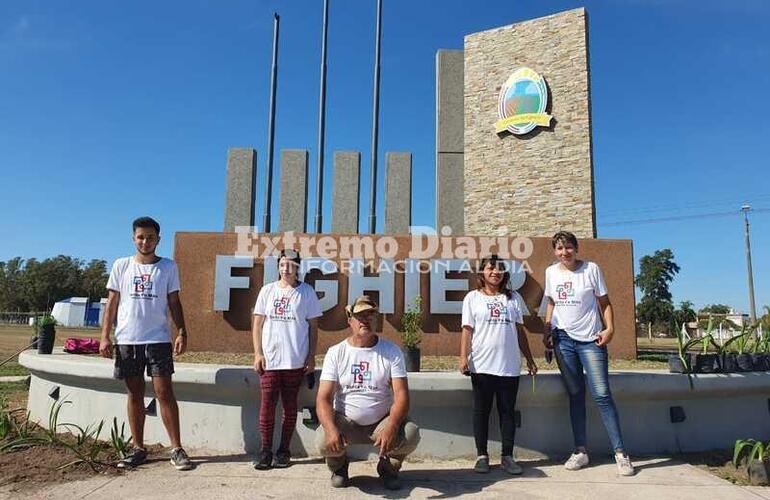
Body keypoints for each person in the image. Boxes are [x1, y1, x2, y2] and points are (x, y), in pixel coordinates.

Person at [99, 216, 193, 470]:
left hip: (158, 340)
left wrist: (182, 332)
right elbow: (112, 303)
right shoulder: (121, 266)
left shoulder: (168, 267)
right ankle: (138, 448)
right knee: (135, 394)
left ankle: (177, 449)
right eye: (140, 237)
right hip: (128, 340)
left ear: (158, 240)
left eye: (150, 237)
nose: (145, 241)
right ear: (133, 238)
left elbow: (174, 303)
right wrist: (105, 336)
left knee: (165, 393)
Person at [543, 231, 635, 476]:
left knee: (602, 394)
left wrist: (610, 329)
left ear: (576, 248)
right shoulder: (551, 272)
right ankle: (581, 451)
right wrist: (547, 330)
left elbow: (604, 302)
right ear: (555, 251)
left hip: (591, 340)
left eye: (569, 248)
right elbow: (552, 302)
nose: (565, 253)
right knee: (575, 394)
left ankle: (621, 453)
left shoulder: (591, 269)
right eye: (560, 249)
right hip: (563, 339)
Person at [315, 295, 420, 490]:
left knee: (411, 433)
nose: (366, 320)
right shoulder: (336, 352)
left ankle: (388, 468)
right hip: (345, 421)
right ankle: (339, 467)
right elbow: (323, 398)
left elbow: (402, 394)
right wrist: (330, 429)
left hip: (381, 422)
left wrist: (392, 425)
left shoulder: (391, 351)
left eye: (371, 316)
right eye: (360, 316)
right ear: (350, 321)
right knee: (322, 441)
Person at [460, 255, 537, 475]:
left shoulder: (512, 298)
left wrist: (530, 359)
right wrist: (463, 357)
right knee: (481, 412)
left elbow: (520, 331)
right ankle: (482, 456)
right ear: (482, 273)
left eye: (500, 269)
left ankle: (507, 456)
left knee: (507, 413)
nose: (495, 272)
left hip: (509, 365)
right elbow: (467, 330)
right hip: (482, 365)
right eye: (490, 268)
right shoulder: (472, 298)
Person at [252, 249, 322, 469]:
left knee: (290, 408)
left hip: (295, 361)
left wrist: (311, 357)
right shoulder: (267, 291)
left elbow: (313, 328)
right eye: (282, 264)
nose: (286, 269)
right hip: (270, 361)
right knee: (267, 408)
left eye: (291, 265)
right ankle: (265, 451)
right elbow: (257, 324)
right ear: (278, 267)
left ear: (298, 267)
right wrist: (258, 353)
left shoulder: (307, 292)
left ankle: (283, 450)